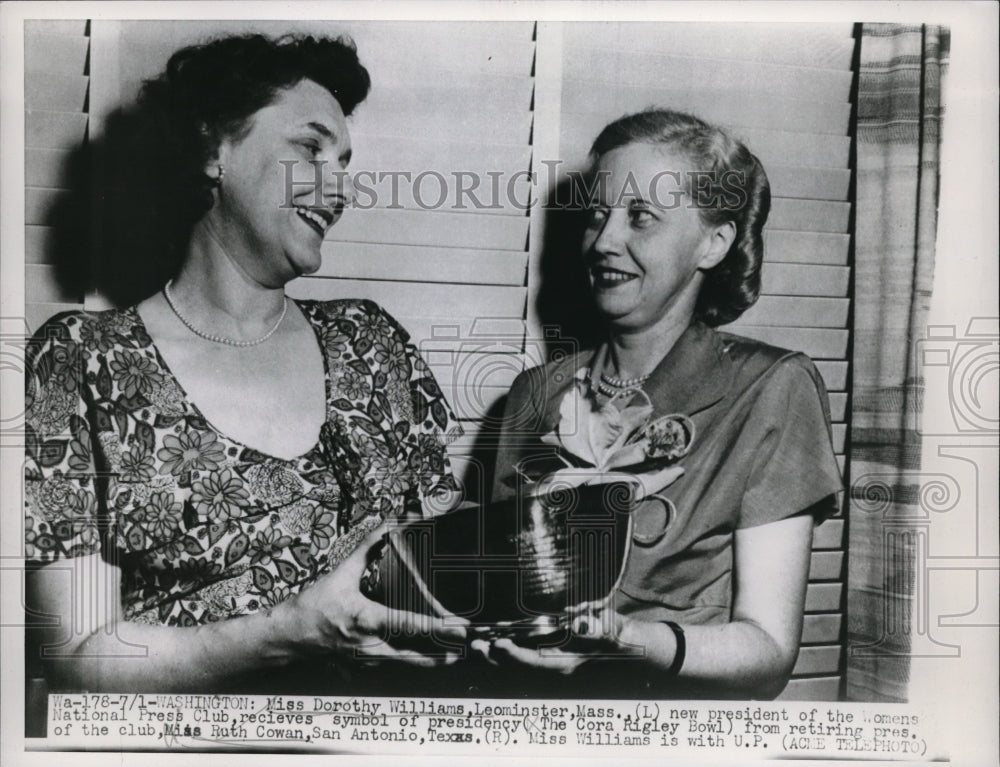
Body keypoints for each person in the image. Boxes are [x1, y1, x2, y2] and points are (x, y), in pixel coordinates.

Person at [23, 33, 467, 693]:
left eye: (345, 160)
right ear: (212, 150)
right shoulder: (84, 361)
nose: (339, 186)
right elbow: (79, 652)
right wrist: (288, 631)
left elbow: (446, 584)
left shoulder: (373, 344)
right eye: (310, 148)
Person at [486, 109, 844, 700]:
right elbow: (499, 594)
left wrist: (628, 639)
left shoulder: (773, 388)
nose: (604, 241)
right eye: (596, 215)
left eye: (640, 218)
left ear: (713, 241)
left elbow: (770, 652)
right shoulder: (534, 394)